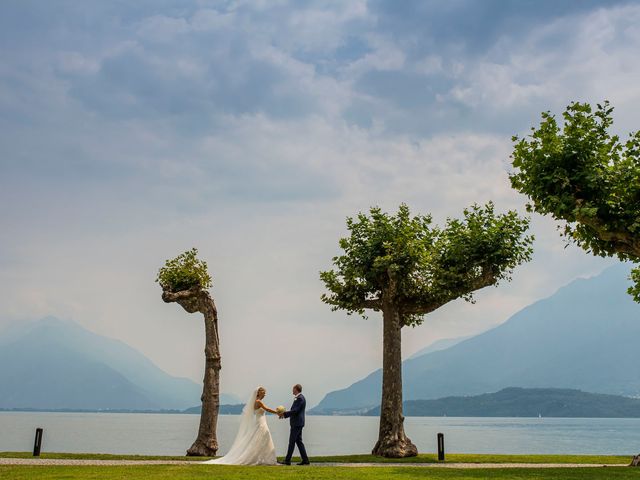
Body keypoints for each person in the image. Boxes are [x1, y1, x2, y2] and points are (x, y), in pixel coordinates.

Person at [203, 387, 278, 465]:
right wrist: (278, 412)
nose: (265, 394)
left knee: (260, 439)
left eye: (265, 392)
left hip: (260, 422)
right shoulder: (258, 402)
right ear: (258, 393)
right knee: (261, 439)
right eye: (263, 392)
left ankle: (261, 457)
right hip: (261, 423)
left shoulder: (256, 401)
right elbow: (267, 409)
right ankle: (262, 458)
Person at [278, 384, 310, 465]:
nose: (292, 390)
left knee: (291, 442)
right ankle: (305, 460)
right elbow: (295, 411)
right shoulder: (299, 398)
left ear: (296, 389)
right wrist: (285, 414)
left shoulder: (299, 398)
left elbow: (295, 411)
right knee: (299, 442)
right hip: (298, 423)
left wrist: (284, 414)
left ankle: (287, 460)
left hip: (297, 423)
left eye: (293, 389)